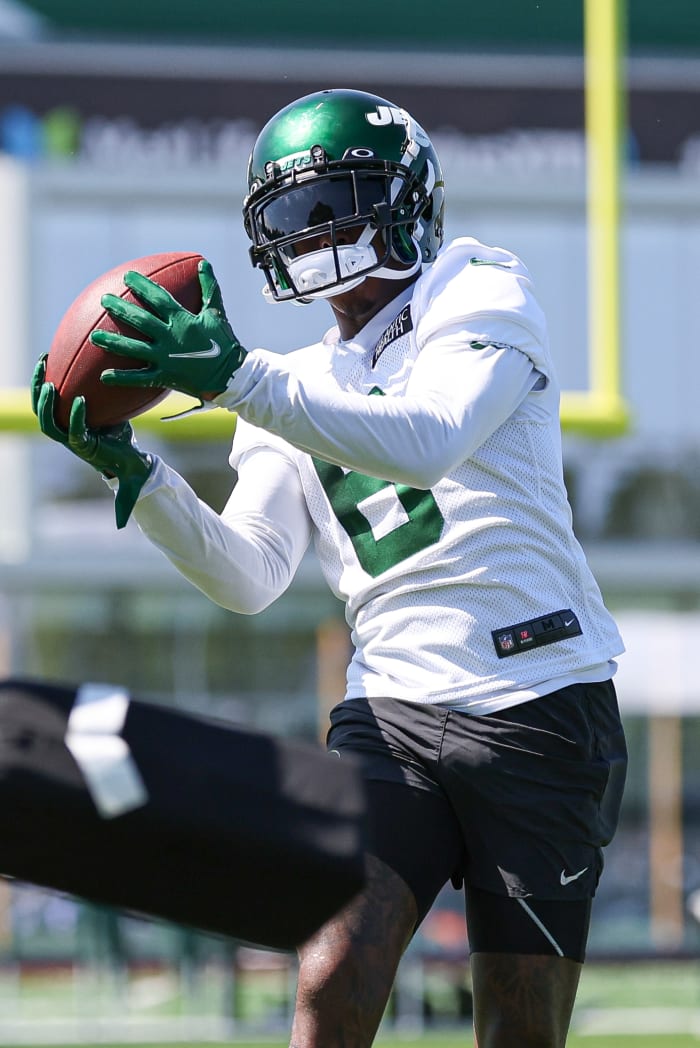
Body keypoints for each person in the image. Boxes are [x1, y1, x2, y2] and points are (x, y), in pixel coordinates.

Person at [33, 88, 627, 1048]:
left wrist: (238, 381)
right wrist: (143, 479)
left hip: (538, 701)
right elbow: (250, 573)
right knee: (330, 975)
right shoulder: (292, 380)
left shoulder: (481, 290)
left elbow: (429, 437)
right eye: (292, 220)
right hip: (390, 710)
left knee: (520, 1029)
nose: (314, 238)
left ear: (404, 199)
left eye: (333, 206)